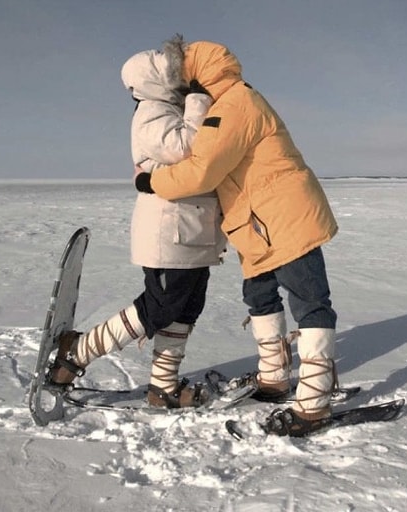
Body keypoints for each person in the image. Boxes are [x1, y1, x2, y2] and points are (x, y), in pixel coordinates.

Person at [134, 40, 340, 436]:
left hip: (285, 217)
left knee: (310, 301)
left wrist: (150, 180)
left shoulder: (235, 105)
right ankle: (275, 379)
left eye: (183, 77)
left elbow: (201, 171)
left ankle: (314, 402)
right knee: (259, 298)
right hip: (255, 225)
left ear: (198, 74)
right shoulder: (226, 104)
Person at [49, 36, 226, 409]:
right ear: (154, 81)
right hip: (169, 233)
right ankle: (75, 352)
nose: (183, 79)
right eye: (174, 74)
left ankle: (162, 387)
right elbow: (187, 148)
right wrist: (198, 101)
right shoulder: (151, 114)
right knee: (160, 307)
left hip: (193, 231)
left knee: (187, 307)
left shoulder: (170, 109)